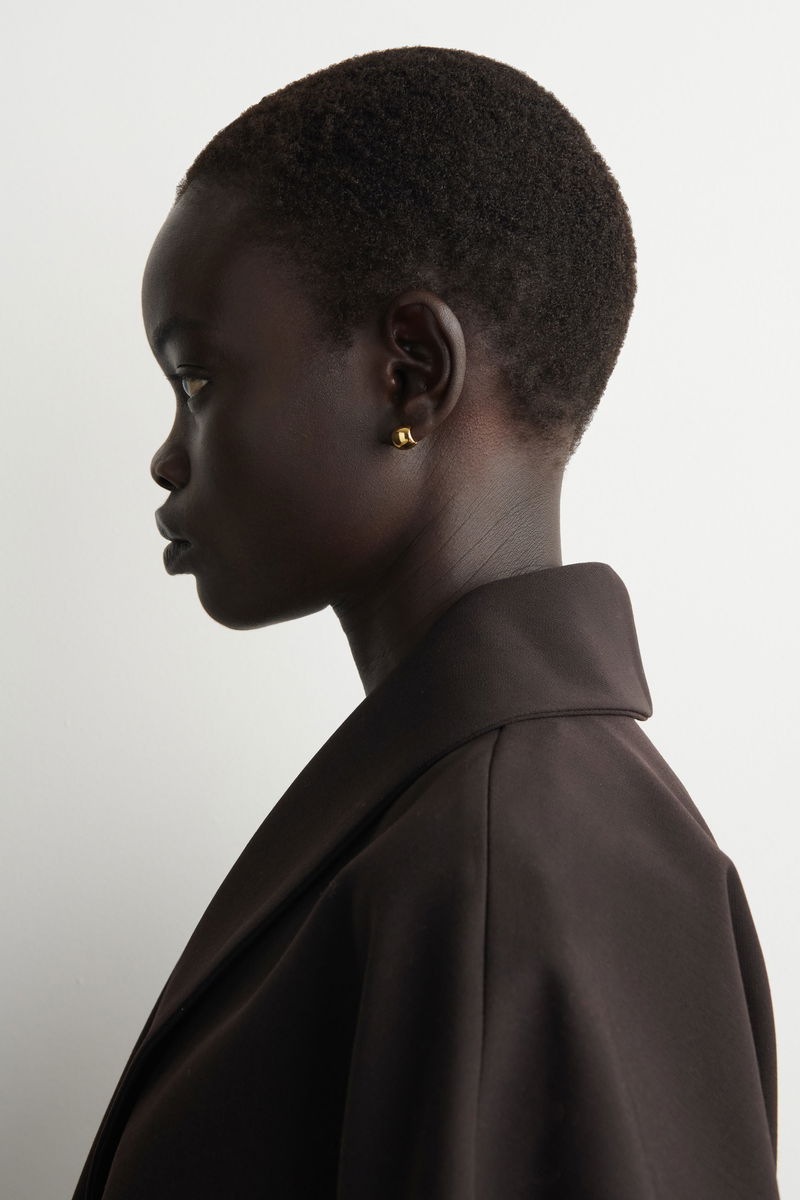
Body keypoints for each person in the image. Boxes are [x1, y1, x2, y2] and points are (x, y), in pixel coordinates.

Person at [71, 45, 780, 1199]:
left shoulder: (504, 869)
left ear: (409, 373)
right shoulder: (485, 823)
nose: (166, 456)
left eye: (196, 383)